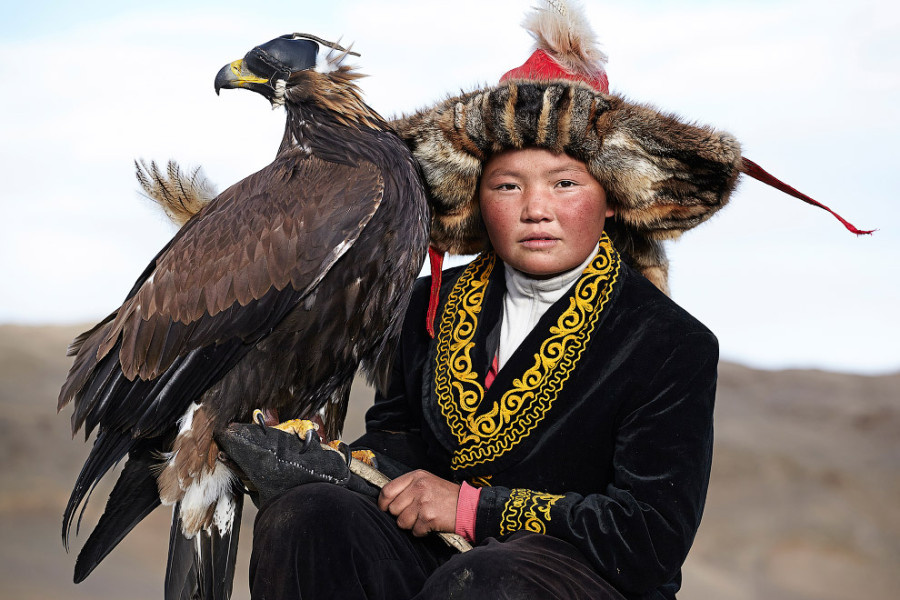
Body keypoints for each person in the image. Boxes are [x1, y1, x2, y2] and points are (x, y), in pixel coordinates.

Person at [228, 1, 857, 598]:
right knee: (307, 517)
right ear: (477, 199)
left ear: (611, 199)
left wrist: (472, 509)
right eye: (508, 185)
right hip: (441, 560)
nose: (535, 209)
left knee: (486, 582)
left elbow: (648, 537)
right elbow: (398, 446)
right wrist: (333, 463)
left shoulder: (670, 344)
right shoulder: (424, 305)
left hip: (581, 582)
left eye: (564, 183)